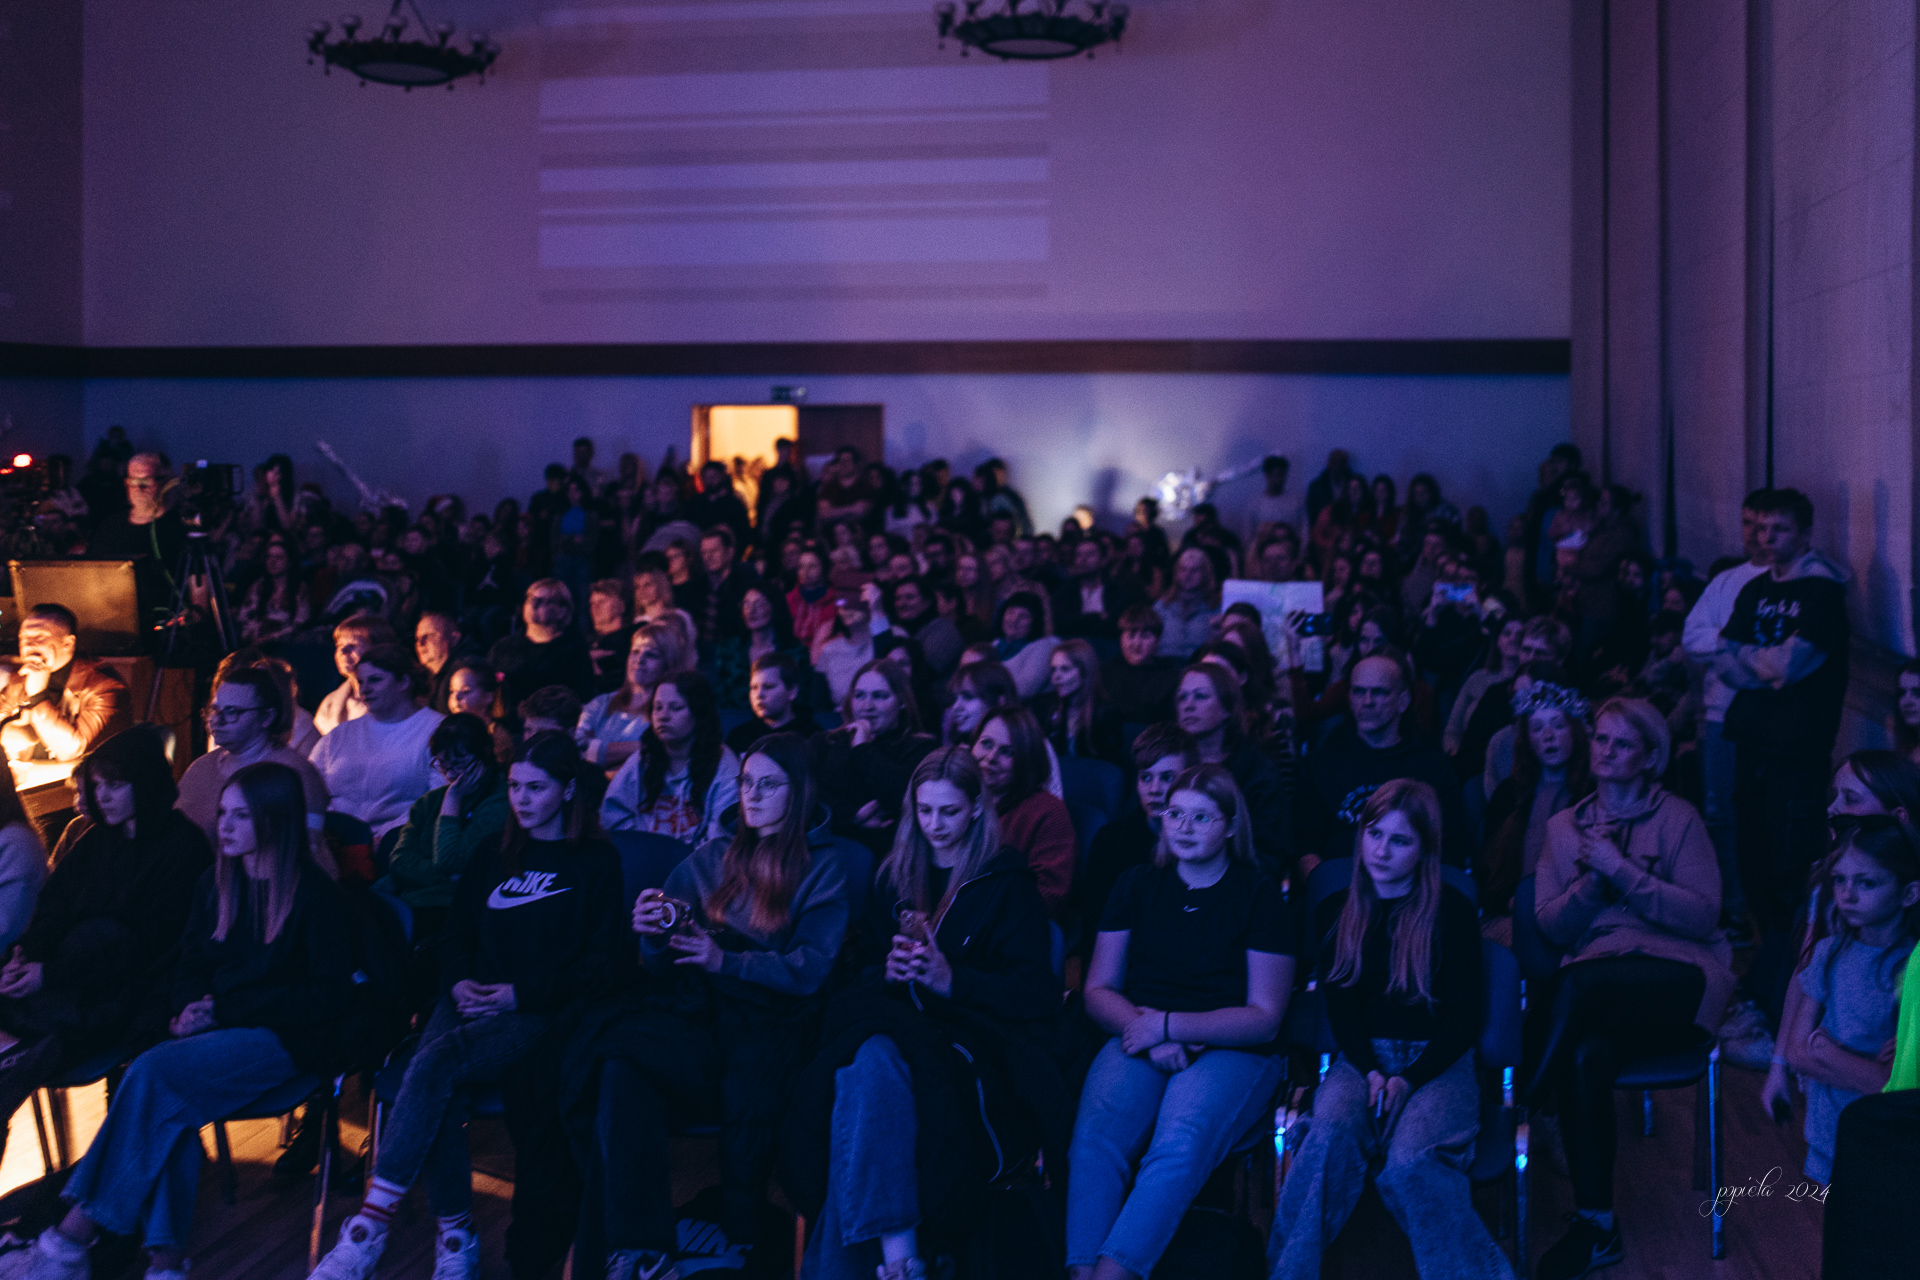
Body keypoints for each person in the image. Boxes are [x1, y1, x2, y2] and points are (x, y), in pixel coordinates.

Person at [21, 763, 362, 1280]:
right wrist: (187, 1008)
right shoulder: (216, 883)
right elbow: (190, 962)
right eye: (223, 813)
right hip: (217, 1027)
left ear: (274, 820)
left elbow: (324, 997)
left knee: (153, 1075)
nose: (224, 826)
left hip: (289, 1038)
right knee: (170, 1108)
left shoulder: (315, 897)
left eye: (241, 816)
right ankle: (163, 1263)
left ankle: (70, 1238)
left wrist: (223, 1010)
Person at [311, 733, 626, 1280]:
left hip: (537, 1009)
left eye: (536, 788)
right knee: (436, 1084)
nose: (522, 799)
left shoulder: (596, 862)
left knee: (432, 1066)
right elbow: (455, 934)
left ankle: (371, 1225)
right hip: (469, 995)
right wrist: (458, 982)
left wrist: (518, 994)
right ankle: (456, 1238)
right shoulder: (493, 852)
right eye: (516, 786)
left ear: (568, 790)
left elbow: (601, 964)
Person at [566, 733, 867, 1279]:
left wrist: (725, 960)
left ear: (798, 791)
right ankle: (637, 1249)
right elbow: (663, 965)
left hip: (771, 1025)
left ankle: (671, 1242)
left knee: (648, 1055)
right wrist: (654, 934)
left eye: (768, 784)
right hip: (701, 1018)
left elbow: (810, 969)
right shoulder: (711, 856)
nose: (752, 794)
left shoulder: (823, 866)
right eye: (746, 782)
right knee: (619, 1061)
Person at [779, 746, 1060, 1280]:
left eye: (949, 811)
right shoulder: (894, 875)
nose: (935, 825)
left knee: (865, 1076)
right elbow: (858, 972)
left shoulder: (1006, 883)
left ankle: (892, 1261)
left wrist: (953, 980)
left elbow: (1036, 994)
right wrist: (886, 971)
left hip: (966, 1043)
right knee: (870, 1061)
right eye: (925, 810)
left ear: (976, 808)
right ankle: (901, 1262)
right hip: (897, 1025)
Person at [1526, 698, 1734, 1280]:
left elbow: (1703, 916)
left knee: (1575, 983)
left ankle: (1517, 1098)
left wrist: (1622, 871)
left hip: (1679, 978)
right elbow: (1550, 925)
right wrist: (1591, 885)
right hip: (1599, 987)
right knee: (1585, 1054)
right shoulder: (1564, 829)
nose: (1606, 750)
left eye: (1622, 743)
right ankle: (1598, 1227)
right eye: (1600, 738)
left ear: (1650, 756)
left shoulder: (1679, 819)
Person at [1269, 779, 1506, 1280]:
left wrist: (1409, 1079)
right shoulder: (1336, 910)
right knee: (1326, 1138)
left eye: (1399, 840)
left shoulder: (1452, 912)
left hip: (1438, 1059)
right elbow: (1342, 1012)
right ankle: (1287, 1273)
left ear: (1424, 849)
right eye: (1374, 834)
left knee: (1410, 1162)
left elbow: (1463, 1019)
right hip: (1362, 1058)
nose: (1380, 850)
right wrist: (1374, 1072)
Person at [1068, 764, 1293, 1280]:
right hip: (1141, 1031)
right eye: (1175, 814)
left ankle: (1112, 1276)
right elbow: (1098, 990)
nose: (1184, 827)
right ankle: (1082, 1273)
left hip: (1230, 1044)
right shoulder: (1136, 884)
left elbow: (1264, 1017)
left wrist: (1170, 1026)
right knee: (1095, 1140)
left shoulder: (1258, 895)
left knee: (1179, 1142)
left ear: (1231, 826)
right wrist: (1149, 1033)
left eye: (1201, 817)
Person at [0, 728, 212, 1128]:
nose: (102, 797)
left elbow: (149, 945)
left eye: (114, 785)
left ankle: (26, 1055)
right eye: (97, 786)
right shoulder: (96, 840)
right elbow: (53, 908)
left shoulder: (184, 847)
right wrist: (23, 955)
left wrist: (49, 973)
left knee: (100, 936)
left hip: (132, 986)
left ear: (144, 784)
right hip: (71, 975)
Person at [1714, 488, 1850, 1036]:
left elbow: (1789, 666)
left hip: (1796, 752)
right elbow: (1723, 661)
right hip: (1751, 743)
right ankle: (1767, 989)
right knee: (1754, 867)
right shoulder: (1753, 589)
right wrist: (1762, 665)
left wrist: (1758, 664)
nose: (1767, 539)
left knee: (1792, 873)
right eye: (1761, 528)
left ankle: (1782, 1003)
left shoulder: (1822, 594)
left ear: (1805, 534)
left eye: (1780, 530)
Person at [1759, 817, 1917, 1184]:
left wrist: (1825, 1051)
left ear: (1909, 893)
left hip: (1888, 1143)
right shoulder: (1828, 953)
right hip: (1827, 1135)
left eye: (1867, 882)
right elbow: (1796, 1052)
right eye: (1840, 880)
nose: (1847, 895)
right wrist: (1857, 1068)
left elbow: (1893, 1087)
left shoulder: (1912, 967)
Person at [1296, 651, 1466, 870]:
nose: (1367, 702)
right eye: (1359, 691)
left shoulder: (1433, 767)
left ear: (1403, 701)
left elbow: (1450, 847)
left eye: (1379, 692)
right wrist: (1326, 885)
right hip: (1338, 882)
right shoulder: (1321, 764)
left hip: (1411, 885)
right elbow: (1305, 846)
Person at [376, 714, 513, 935]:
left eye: (459, 764)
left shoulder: (500, 800)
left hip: (453, 909)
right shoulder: (428, 803)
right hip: (409, 903)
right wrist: (446, 875)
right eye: (442, 764)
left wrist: (452, 801)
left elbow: (451, 859)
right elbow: (398, 862)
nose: (450, 774)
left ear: (485, 754)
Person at [307, 644, 446, 847]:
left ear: (404, 682)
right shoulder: (339, 735)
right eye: (360, 681)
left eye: (375, 680)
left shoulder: (436, 730)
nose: (364, 689)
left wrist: (390, 833)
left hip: (400, 844)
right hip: (333, 841)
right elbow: (309, 787)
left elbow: (439, 798)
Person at [1078, 726, 1196, 962]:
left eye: (1167, 778)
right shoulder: (1111, 841)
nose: (1154, 790)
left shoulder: (1201, 841)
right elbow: (1095, 927)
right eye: (1146, 777)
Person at [1478, 678, 1594, 918]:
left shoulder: (1593, 793)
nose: (1548, 735)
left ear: (1575, 732)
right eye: (1538, 728)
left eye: (1558, 725)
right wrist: (1509, 904)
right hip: (1512, 914)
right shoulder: (1508, 794)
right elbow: (1488, 871)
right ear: (1528, 741)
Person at [176, 667, 330, 844]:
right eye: (215, 710)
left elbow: (308, 847)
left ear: (267, 718)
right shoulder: (201, 767)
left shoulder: (297, 773)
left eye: (232, 711)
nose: (218, 720)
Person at [811, 660, 937, 857]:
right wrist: (851, 815)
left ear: (902, 701)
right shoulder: (826, 742)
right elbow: (806, 793)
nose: (867, 706)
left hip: (890, 854)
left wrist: (862, 748)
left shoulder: (921, 748)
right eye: (859, 695)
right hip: (824, 851)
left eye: (879, 696)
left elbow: (904, 799)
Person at [1171, 663, 1289, 873]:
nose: (1188, 705)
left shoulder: (1258, 769)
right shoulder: (1169, 763)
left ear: (1227, 708)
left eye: (1200, 696)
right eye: (1182, 697)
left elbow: (1269, 850)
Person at [602, 670, 738, 844]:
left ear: (699, 713)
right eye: (658, 707)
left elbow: (720, 841)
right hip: (644, 856)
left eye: (676, 708)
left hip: (698, 860)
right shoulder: (643, 759)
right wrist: (644, 848)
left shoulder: (723, 764)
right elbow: (612, 817)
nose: (663, 716)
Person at [971, 708, 1075, 922]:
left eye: (1007, 752)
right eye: (986, 744)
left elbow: (1048, 894)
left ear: (1027, 759)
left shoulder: (1048, 812)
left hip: (1008, 926)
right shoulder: (959, 798)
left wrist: (980, 916)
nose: (990, 758)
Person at [0, 604, 132, 764]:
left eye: (39, 637)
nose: (29, 645)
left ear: (68, 643)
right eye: (23, 638)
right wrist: (11, 730)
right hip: (35, 774)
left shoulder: (103, 686)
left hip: (89, 777)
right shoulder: (20, 679)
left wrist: (38, 696)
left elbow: (70, 751)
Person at [84, 452, 189, 638]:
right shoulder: (111, 526)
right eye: (133, 481)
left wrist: (192, 616)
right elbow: (92, 576)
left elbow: (199, 586)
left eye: (146, 481)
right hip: (117, 627)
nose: (138, 488)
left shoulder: (182, 527)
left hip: (170, 631)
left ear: (165, 482)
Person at [577, 621, 690, 770]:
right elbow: (578, 749)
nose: (639, 660)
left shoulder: (667, 713)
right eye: (635, 651)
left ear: (668, 664)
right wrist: (642, 746)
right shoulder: (600, 703)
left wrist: (597, 751)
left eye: (651, 655)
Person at [490, 579, 597, 722]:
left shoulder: (574, 649)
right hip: (507, 723)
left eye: (544, 601)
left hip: (551, 724)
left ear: (561, 611)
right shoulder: (503, 647)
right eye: (531, 599)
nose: (533, 605)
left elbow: (582, 695)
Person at [710, 586, 807, 713]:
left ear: (774, 607)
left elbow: (801, 697)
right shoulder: (728, 650)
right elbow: (720, 696)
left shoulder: (794, 651)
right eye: (746, 604)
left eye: (759, 604)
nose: (751, 610)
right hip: (735, 718)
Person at [1031, 639, 1124, 767]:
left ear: (1085, 672)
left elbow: (1107, 766)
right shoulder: (1044, 706)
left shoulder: (1107, 713)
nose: (1056, 676)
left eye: (1065, 669)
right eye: (1053, 669)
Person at [313, 615, 396, 738]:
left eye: (353, 644)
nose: (343, 651)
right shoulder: (330, 702)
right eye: (339, 645)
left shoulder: (397, 698)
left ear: (379, 648)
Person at [724, 652, 820, 756]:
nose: (759, 694)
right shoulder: (739, 736)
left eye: (768, 686)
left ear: (792, 691)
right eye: (754, 688)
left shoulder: (813, 737)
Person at [1102, 605, 1181, 726]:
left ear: (1157, 641)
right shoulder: (1105, 673)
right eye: (1131, 635)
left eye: (1145, 636)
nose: (1137, 643)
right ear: (1120, 639)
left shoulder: (1171, 676)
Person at [813, 588, 881, 708]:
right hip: (839, 713)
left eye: (855, 605)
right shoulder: (830, 649)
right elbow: (819, 693)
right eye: (843, 607)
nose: (846, 610)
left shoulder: (884, 639)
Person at [1155, 549, 1219, 661]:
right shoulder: (1162, 606)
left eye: (1194, 570)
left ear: (1205, 573)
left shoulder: (1215, 607)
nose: (1187, 575)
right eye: (1183, 569)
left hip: (1199, 665)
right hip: (1164, 664)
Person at [417, 612, 480, 715]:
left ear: (454, 639)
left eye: (429, 636)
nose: (420, 643)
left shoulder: (467, 671)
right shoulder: (422, 677)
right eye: (417, 639)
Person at [585, 580, 634, 694]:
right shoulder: (584, 642)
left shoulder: (632, 638)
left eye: (602, 601)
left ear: (621, 606)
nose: (595, 607)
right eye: (592, 603)